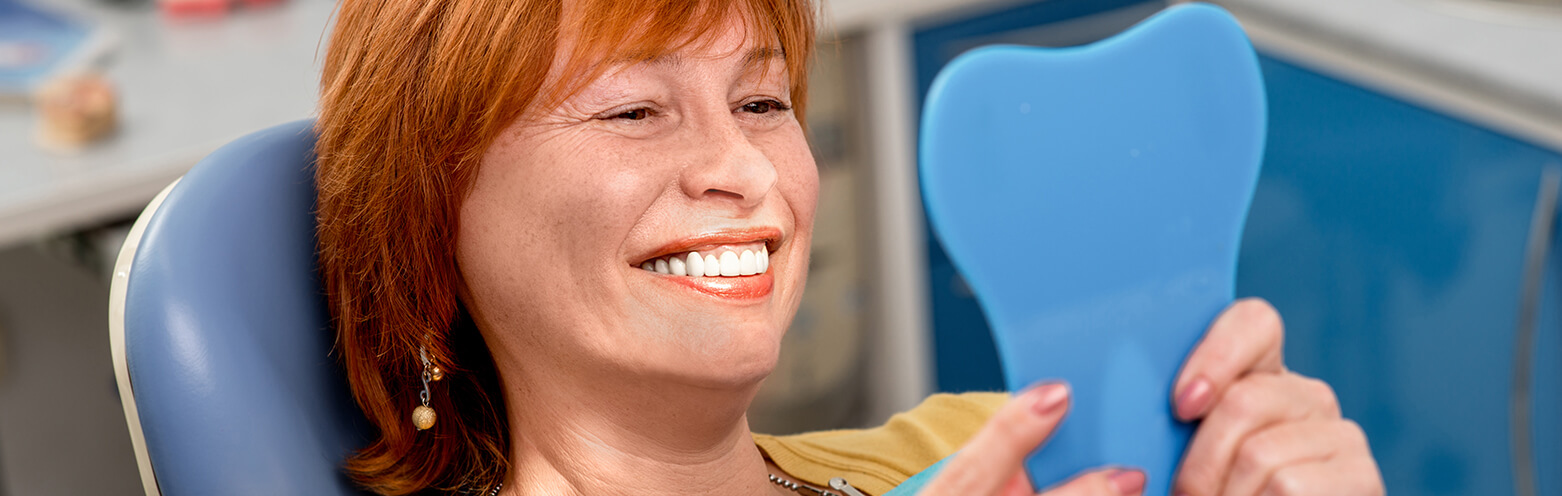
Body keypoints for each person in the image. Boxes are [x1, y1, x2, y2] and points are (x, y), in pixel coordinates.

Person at [312, 0, 1385, 494]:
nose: (744, 169)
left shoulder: (1003, 450)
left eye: (763, 100)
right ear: (428, 223)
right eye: (632, 112)